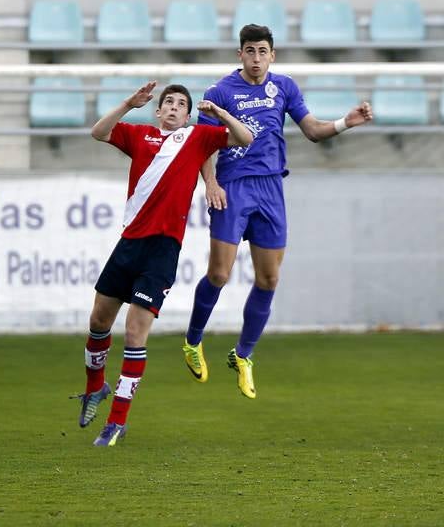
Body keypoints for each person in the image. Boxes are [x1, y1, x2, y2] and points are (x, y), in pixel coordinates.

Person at [183, 23, 373, 399]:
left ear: (273, 54)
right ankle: (192, 340)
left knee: (269, 280)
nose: (256, 58)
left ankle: (243, 355)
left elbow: (313, 131)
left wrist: (344, 123)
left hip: (271, 188)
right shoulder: (219, 92)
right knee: (219, 274)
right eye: (250, 51)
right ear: (240, 54)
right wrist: (210, 183)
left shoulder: (283, 87)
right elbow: (203, 146)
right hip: (233, 187)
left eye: (262, 51)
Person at [71, 81, 253, 446]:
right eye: (167, 102)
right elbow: (98, 132)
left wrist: (219, 115)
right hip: (128, 244)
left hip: (162, 251)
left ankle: (117, 421)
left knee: (136, 333)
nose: (172, 107)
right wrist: (127, 103)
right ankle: (96, 387)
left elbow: (245, 138)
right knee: (98, 322)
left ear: (187, 116)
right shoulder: (139, 136)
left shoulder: (197, 138)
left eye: (180, 104)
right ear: (157, 111)